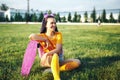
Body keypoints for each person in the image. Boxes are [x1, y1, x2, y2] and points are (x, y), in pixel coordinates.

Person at [29, 13, 80, 80]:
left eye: (55, 23)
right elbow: (31, 36)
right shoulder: (42, 36)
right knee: (55, 55)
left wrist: (47, 53)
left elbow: (58, 49)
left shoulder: (58, 34)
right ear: (46, 25)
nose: (54, 25)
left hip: (58, 59)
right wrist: (45, 39)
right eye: (51, 23)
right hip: (48, 60)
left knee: (77, 62)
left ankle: (54, 69)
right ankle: (57, 77)